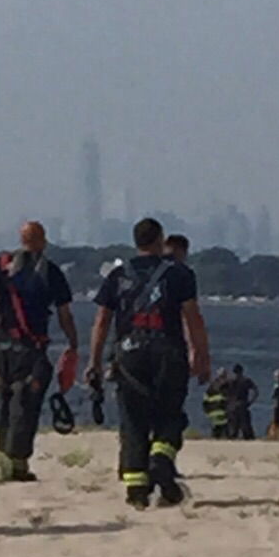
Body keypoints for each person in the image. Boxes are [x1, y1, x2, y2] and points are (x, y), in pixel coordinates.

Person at [87, 217, 210, 508]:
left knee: (133, 419)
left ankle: (136, 489)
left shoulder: (118, 276)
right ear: (160, 240)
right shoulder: (179, 274)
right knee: (170, 414)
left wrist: (94, 361)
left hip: (129, 353)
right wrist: (200, 355)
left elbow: (101, 322)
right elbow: (192, 317)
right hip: (167, 351)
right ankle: (161, 459)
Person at [0, 220, 79, 481]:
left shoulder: (3, 267)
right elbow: (65, 315)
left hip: (0, 347)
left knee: (5, 404)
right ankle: (16, 464)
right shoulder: (51, 273)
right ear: (43, 241)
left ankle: (3, 458)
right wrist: (73, 343)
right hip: (30, 349)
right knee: (25, 405)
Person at [226, 364, 258, 440]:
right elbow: (256, 391)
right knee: (245, 426)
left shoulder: (230, 381)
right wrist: (251, 402)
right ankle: (248, 440)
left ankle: (233, 441)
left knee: (234, 427)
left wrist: (227, 403)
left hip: (233, 406)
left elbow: (221, 391)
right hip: (243, 405)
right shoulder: (246, 381)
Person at [203, 371, 230, 439]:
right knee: (224, 428)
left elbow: (205, 400)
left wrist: (207, 411)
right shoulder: (226, 386)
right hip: (221, 412)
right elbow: (228, 399)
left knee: (216, 428)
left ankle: (215, 438)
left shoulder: (211, 386)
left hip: (212, 412)